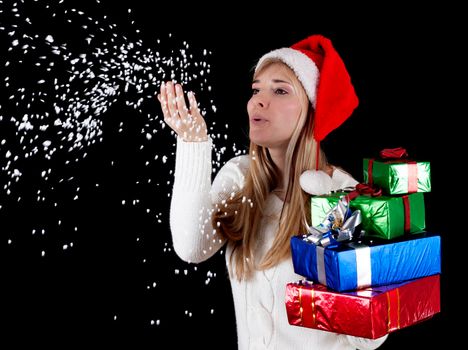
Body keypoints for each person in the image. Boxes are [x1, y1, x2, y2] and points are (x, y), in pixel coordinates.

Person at [157, 34, 388, 350]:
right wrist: (193, 143)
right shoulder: (240, 176)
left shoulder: (344, 196)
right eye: (256, 90)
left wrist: (339, 239)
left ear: (311, 111)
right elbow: (191, 247)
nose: (257, 101)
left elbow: (367, 340)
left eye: (280, 90)